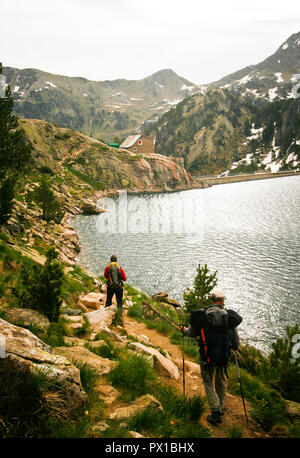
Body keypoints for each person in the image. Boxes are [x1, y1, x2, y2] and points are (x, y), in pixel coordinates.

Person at [180, 288, 242, 425]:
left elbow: (191, 332)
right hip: (223, 357)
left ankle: (215, 411)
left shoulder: (203, 316)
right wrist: (235, 347)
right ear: (222, 300)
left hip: (206, 355)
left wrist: (183, 330)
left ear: (211, 299)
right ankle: (220, 407)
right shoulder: (229, 317)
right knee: (221, 381)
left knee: (208, 381)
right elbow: (235, 340)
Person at [104, 255, 127, 325]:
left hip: (110, 287)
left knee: (108, 300)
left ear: (110, 260)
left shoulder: (107, 268)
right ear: (116, 260)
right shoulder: (119, 269)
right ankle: (119, 317)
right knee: (119, 302)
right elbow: (124, 279)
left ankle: (106, 315)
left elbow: (105, 276)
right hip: (118, 287)